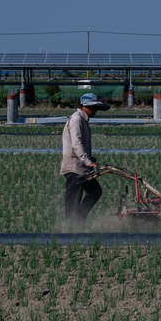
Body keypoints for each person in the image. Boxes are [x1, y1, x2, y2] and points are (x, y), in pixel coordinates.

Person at [60, 93, 111, 226]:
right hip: (74, 167)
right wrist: (88, 161)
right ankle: (69, 229)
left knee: (95, 192)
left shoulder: (84, 120)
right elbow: (76, 144)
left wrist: (89, 161)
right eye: (93, 107)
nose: (95, 110)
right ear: (84, 106)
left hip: (82, 167)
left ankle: (79, 219)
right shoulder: (76, 119)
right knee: (73, 200)